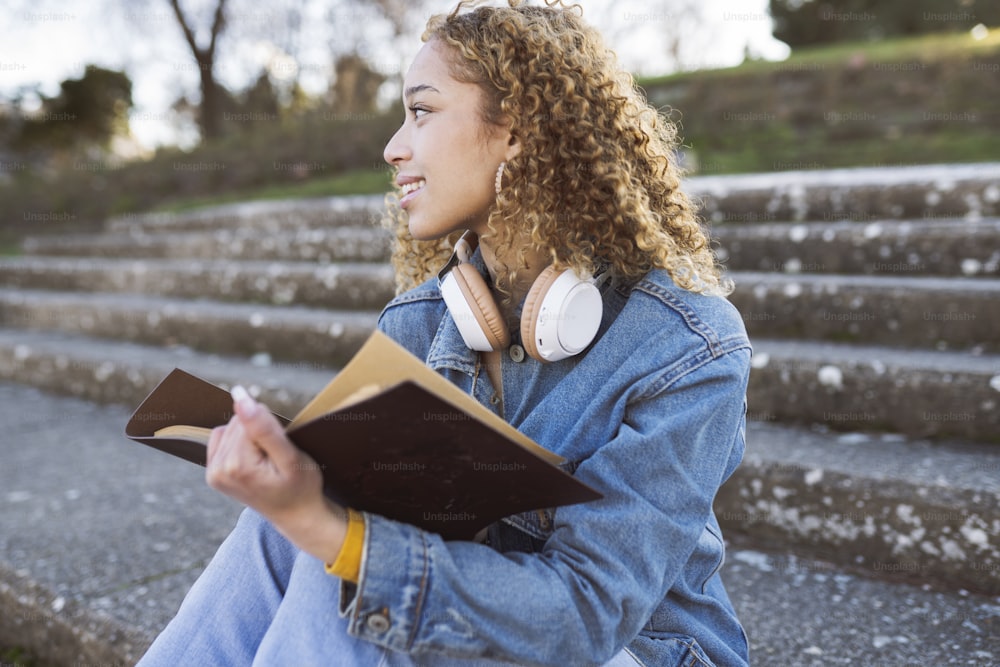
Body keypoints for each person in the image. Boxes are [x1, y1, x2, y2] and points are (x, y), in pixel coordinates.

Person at [137, 1, 752, 665]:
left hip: (629, 649)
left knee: (351, 564)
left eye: (421, 111)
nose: (392, 147)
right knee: (288, 529)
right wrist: (303, 507)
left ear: (515, 130)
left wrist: (332, 532)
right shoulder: (419, 321)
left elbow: (586, 612)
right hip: (474, 632)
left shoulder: (689, 345)